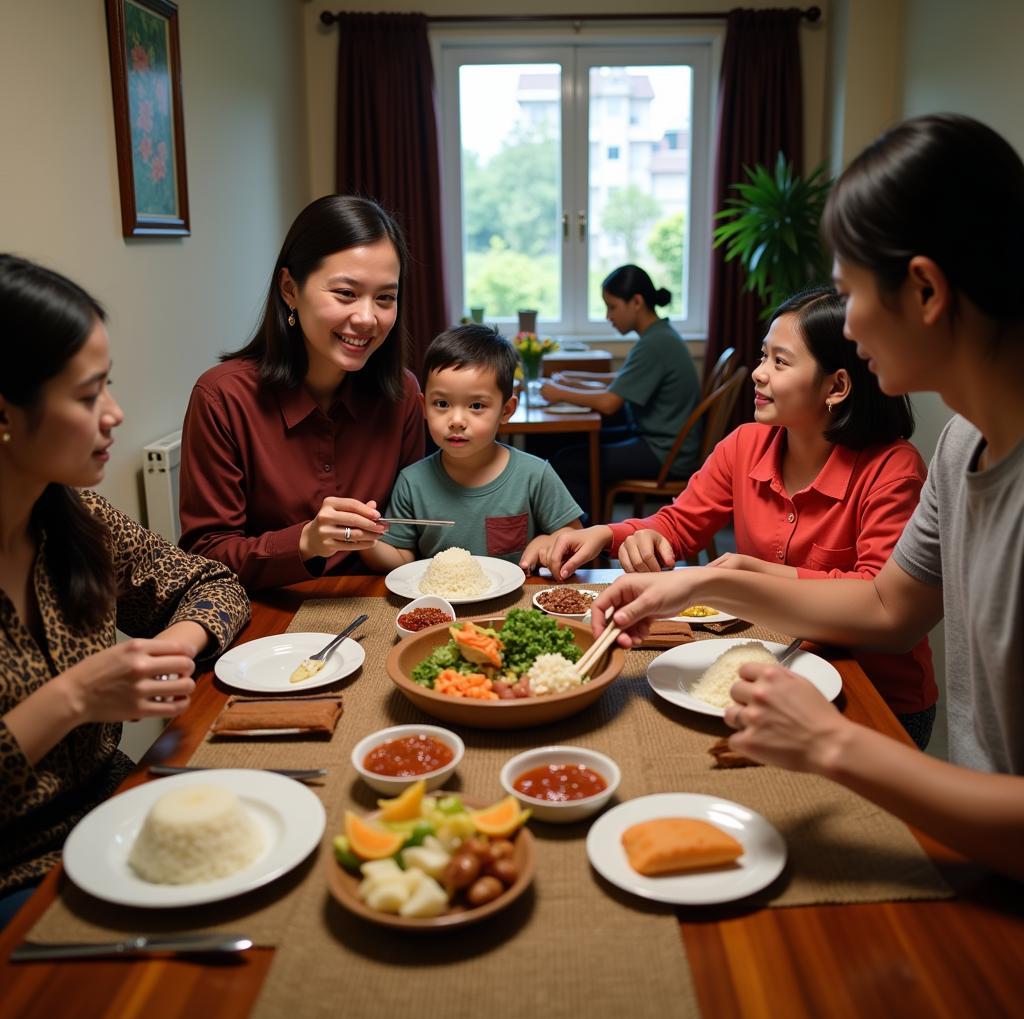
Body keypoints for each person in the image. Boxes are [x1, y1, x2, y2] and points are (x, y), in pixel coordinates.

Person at [589, 114, 1024, 880]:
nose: (849, 323)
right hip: (971, 851)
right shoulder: (961, 444)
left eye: (852, 292)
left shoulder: (907, 461)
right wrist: (703, 578)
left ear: (924, 289)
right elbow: (890, 608)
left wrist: (829, 743)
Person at [545, 287, 937, 746]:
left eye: (780, 362)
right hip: (776, 670)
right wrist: (610, 534)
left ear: (836, 387)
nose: (759, 373)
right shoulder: (746, 444)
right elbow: (677, 525)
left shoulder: (892, 469)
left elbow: (876, 600)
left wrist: (751, 573)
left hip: (875, 695)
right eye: (762, 356)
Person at [0, 255, 250, 926]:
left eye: (108, 386)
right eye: (87, 396)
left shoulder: (75, 520)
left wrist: (174, 641)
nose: (114, 415)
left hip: (114, 812)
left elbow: (212, 581)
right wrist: (75, 697)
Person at [178, 195, 425, 589]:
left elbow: (417, 526)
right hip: (267, 621)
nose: (366, 318)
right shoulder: (221, 398)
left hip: (378, 608)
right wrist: (306, 541)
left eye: (385, 298)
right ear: (290, 288)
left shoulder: (403, 395)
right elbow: (205, 556)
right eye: (345, 293)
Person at [361, 324, 583, 572]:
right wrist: (364, 540)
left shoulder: (534, 475)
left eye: (476, 406)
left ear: (506, 410)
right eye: (441, 403)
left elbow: (575, 537)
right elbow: (401, 559)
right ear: (423, 406)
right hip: (442, 605)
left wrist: (547, 540)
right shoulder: (412, 482)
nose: (456, 420)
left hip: (513, 605)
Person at [541, 265, 701, 520]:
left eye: (612, 307)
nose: (608, 316)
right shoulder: (659, 335)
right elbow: (621, 380)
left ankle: (585, 540)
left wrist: (559, 392)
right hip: (661, 441)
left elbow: (609, 403)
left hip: (664, 452)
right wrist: (574, 378)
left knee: (569, 461)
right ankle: (592, 528)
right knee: (571, 446)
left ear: (636, 302)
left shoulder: (655, 344)